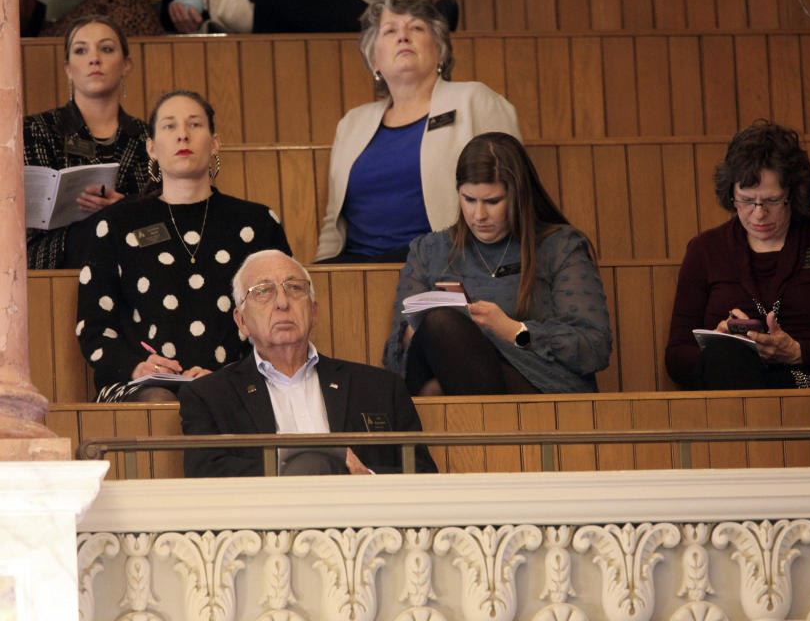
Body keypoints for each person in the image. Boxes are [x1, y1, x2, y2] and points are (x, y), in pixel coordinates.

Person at [76, 90, 291, 402]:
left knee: (223, 398)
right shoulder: (117, 223)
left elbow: (279, 316)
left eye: (194, 125)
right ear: (151, 147)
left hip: (240, 380)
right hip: (139, 383)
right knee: (159, 402)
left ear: (215, 142)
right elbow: (94, 324)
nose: (182, 135)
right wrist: (138, 368)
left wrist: (231, 375)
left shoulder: (257, 223)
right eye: (169, 126)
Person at [382, 132, 612, 395]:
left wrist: (512, 330)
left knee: (437, 385)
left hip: (539, 385)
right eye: (469, 199)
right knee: (440, 327)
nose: (479, 215)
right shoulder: (429, 250)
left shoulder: (560, 246)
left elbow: (595, 347)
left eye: (492, 202)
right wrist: (416, 333)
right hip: (446, 368)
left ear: (518, 196)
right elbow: (394, 360)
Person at [665, 120, 810, 390]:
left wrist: (800, 352)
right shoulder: (705, 249)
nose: (758, 213)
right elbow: (676, 356)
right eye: (746, 200)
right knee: (726, 357)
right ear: (730, 194)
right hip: (729, 385)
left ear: (793, 193)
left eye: (771, 200)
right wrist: (713, 342)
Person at [179, 249, 438, 477]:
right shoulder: (209, 396)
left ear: (313, 312)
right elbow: (205, 471)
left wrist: (364, 475)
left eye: (294, 288)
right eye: (263, 291)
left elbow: (423, 472)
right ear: (242, 321)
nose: (282, 303)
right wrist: (303, 467)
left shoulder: (380, 388)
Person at [314, 0, 520, 264]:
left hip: (443, 262)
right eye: (390, 31)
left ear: (440, 51)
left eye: (416, 28)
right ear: (374, 60)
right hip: (356, 266)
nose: (403, 36)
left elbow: (516, 190)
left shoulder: (473, 100)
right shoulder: (352, 123)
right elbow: (333, 221)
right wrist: (319, 274)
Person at [24, 15, 151, 269]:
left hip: (137, 252)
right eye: (81, 50)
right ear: (68, 69)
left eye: (106, 49)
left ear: (126, 64)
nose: (95, 58)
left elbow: (165, 217)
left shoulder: (150, 137)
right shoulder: (36, 129)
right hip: (57, 255)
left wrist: (123, 207)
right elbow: (28, 221)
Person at [162, 0, 456, 35]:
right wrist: (192, 21)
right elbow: (226, 12)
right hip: (264, 31)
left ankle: (413, 26)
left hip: (338, 19)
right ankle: (416, 26)